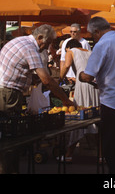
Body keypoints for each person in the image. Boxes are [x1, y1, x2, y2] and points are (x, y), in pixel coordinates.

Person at [0, 24, 73, 174]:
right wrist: (65, 100)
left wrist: (31, 78)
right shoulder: (30, 48)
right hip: (9, 93)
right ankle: (8, 170)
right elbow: (46, 79)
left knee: (6, 135)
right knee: (10, 138)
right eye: (46, 44)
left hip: (6, 90)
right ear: (40, 38)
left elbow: (18, 68)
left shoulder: (19, 40)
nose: (46, 48)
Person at [79, 17, 115, 174]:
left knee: (113, 149)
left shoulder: (102, 45)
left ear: (97, 32)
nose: (93, 38)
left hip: (113, 102)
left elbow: (88, 76)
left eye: (93, 35)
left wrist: (80, 75)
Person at [60, 38, 100, 162]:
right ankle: (101, 155)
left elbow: (66, 66)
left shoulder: (70, 51)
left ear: (68, 48)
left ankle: (68, 154)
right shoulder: (90, 52)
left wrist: (59, 79)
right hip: (95, 86)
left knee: (78, 118)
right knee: (95, 118)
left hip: (82, 86)